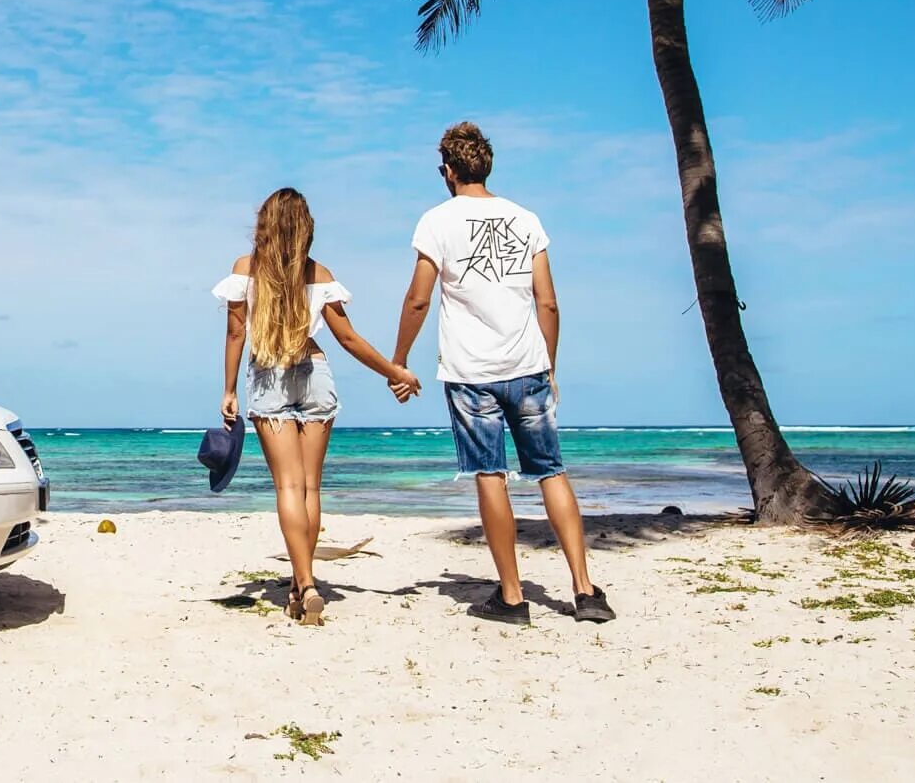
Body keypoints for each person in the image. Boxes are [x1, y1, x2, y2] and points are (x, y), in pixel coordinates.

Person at [393, 123, 616, 625]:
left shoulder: (437, 221)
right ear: (486, 165)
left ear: (446, 171)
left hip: (472, 372)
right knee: (551, 471)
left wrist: (400, 358)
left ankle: (513, 598)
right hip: (528, 365)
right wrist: (550, 366)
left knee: (490, 475)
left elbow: (419, 297)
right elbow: (549, 301)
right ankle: (584, 591)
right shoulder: (526, 219)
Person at [216, 187, 421, 625]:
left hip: (268, 374)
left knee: (288, 489)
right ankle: (302, 583)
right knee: (310, 488)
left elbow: (236, 334)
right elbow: (348, 339)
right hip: (315, 374)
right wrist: (393, 371)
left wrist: (229, 390)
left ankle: (305, 582)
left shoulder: (245, 269)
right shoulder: (320, 273)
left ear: (265, 224)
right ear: (306, 228)